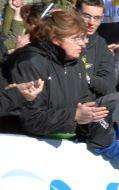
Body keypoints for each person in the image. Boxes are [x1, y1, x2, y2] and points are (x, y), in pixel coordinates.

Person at [4, 9, 112, 151]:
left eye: (83, 37)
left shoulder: (75, 63)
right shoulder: (30, 62)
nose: (83, 44)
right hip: (20, 147)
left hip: (59, 145)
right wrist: (74, 116)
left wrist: (92, 117)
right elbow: (30, 118)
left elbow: (83, 101)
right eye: (76, 38)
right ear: (55, 38)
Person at [75, 0, 115, 98]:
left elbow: (108, 86)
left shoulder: (101, 45)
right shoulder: (63, 41)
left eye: (97, 18)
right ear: (75, 13)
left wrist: (88, 79)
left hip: (91, 105)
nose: (91, 23)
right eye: (86, 16)